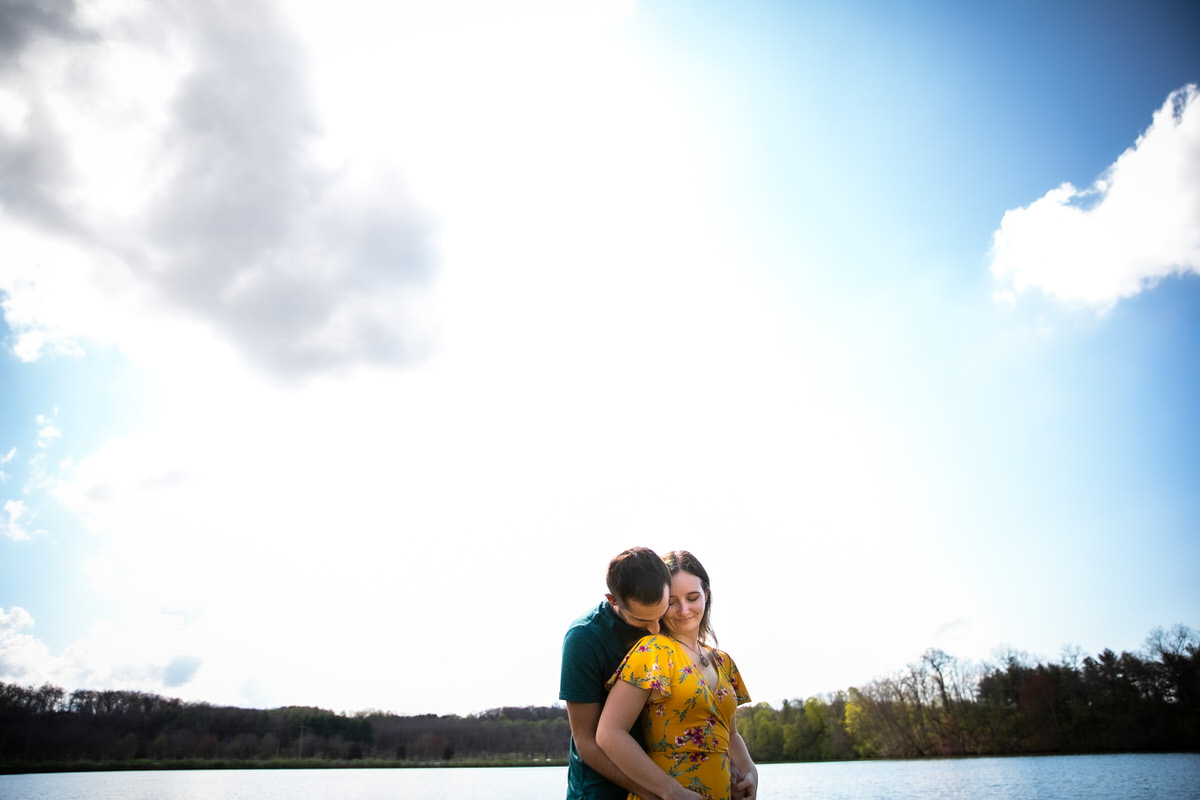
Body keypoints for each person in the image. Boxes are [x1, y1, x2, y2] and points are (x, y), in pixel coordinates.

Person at [596, 550, 758, 800]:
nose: (684, 610)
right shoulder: (653, 651)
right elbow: (609, 733)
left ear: (707, 596)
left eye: (693, 597)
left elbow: (730, 733)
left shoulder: (723, 661)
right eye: (672, 601)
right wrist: (671, 792)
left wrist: (750, 771)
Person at [561, 547, 673, 800]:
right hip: (598, 790)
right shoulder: (584, 638)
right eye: (642, 621)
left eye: (661, 613)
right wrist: (656, 792)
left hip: (662, 781)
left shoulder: (662, 615)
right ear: (613, 600)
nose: (655, 629)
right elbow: (586, 742)